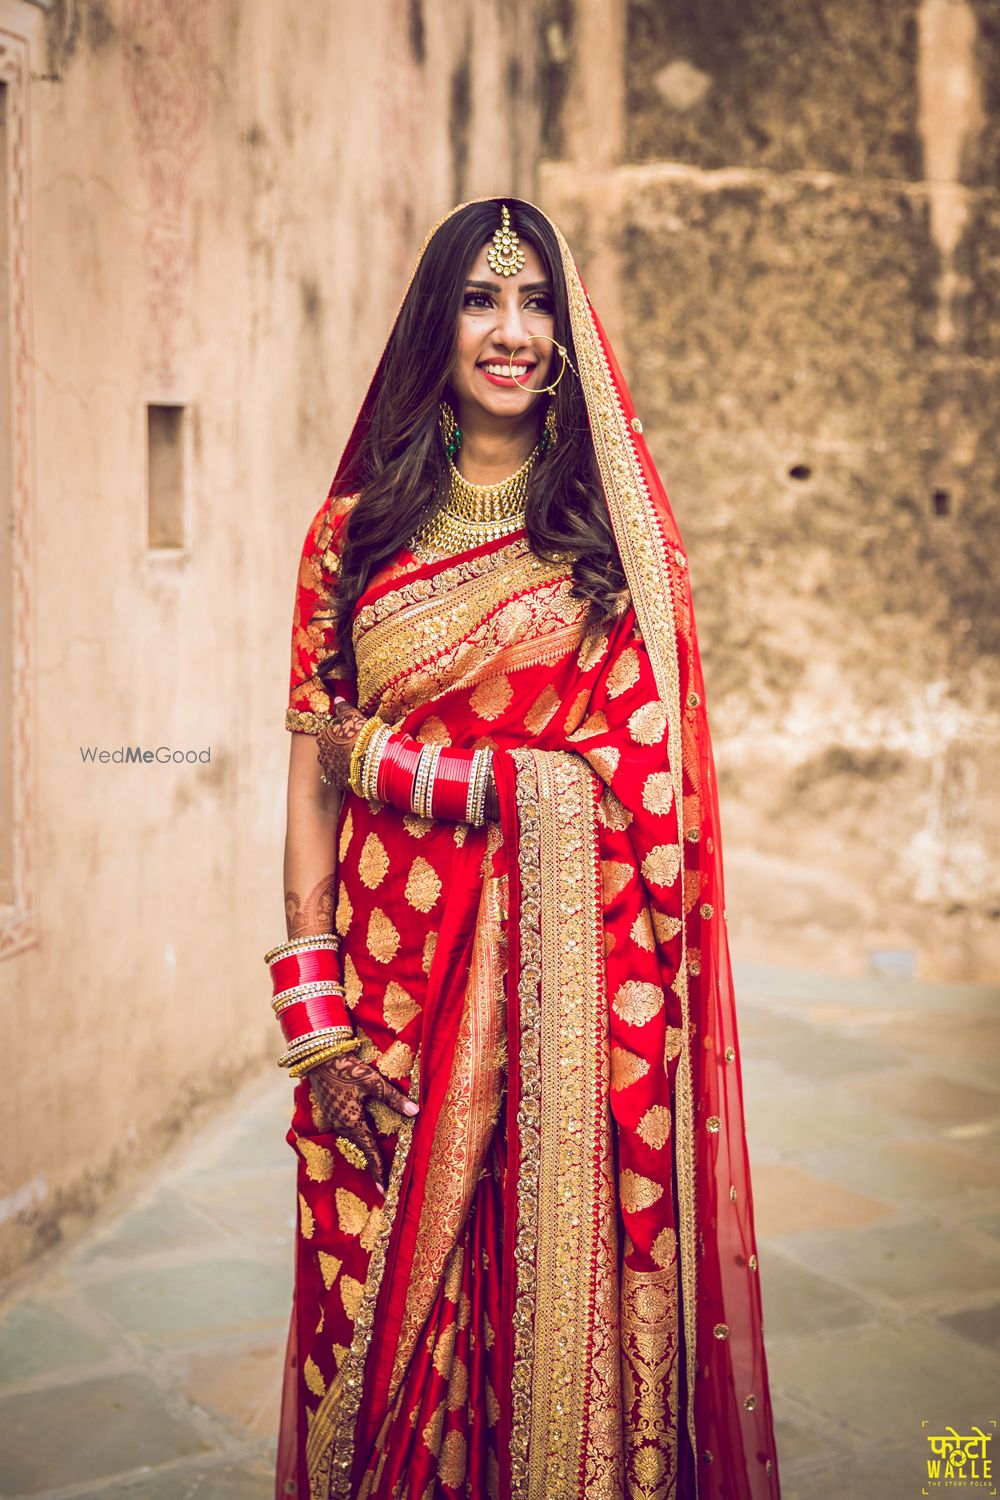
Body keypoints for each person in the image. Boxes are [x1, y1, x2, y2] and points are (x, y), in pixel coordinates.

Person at [270, 197, 782, 1500]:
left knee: (551, 1326)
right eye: (481, 300)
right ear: (435, 323)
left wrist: (423, 772)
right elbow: (309, 782)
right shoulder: (352, 535)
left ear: (569, 330)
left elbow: (649, 794)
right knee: (387, 1343)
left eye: (537, 300)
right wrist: (318, 1029)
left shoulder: (608, 541)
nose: (511, 331)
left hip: (571, 1032)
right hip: (387, 1005)